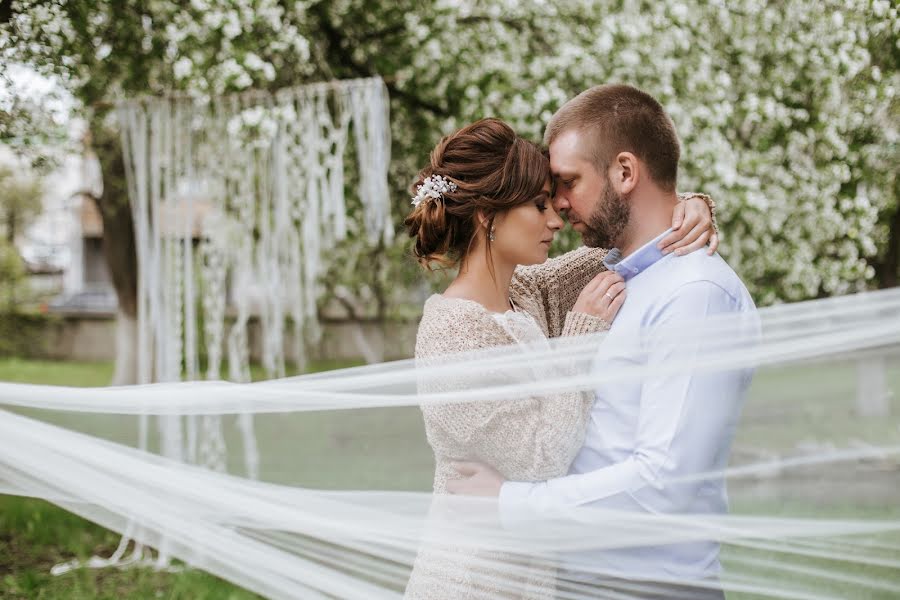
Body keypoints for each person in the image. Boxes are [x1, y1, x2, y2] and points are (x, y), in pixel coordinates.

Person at [448, 86, 760, 600]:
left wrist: (508, 503)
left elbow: (664, 484)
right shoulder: (612, 277)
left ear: (624, 172)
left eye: (568, 183)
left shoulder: (694, 295)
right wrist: (692, 201)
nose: (557, 206)